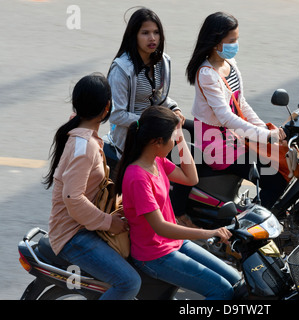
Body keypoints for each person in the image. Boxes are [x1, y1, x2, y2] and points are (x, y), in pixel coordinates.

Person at [115, 106, 242, 300]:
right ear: (157, 142)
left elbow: (191, 178)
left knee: (236, 280)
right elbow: (161, 228)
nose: (174, 142)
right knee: (222, 291)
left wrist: (181, 138)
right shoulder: (138, 177)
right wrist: (209, 233)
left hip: (175, 243)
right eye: (173, 138)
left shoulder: (156, 160)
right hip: (154, 256)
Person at [43, 73, 141, 300]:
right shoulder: (84, 146)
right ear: (107, 107)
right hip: (73, 235)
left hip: (83, 226)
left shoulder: (83, 135)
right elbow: (73, 198)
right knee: (128, 282)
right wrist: (110, 223)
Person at [185, 12, 288, 209]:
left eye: (237, 39)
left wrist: (263, 130)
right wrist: (266, 136)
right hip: (218, 146)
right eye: (231, 40)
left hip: (236, 137)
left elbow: (241, 104)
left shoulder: (230, 63)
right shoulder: (207, 74)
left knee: (280, 162)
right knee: (275, 179)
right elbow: (225, 117)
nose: (235, 45)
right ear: (216, 42)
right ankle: (252, 227)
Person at [104, 7, 185, 176]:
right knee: (181, 158)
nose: (152, 38)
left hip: (156, 126)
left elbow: (157, 96)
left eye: (156, 32)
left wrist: (173, 108)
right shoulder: (121, 69)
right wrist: (153, 121)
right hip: (133, 133)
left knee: (192, 131)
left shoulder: (161, 61)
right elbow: (117, 115)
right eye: (145, 33)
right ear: (134, 36)